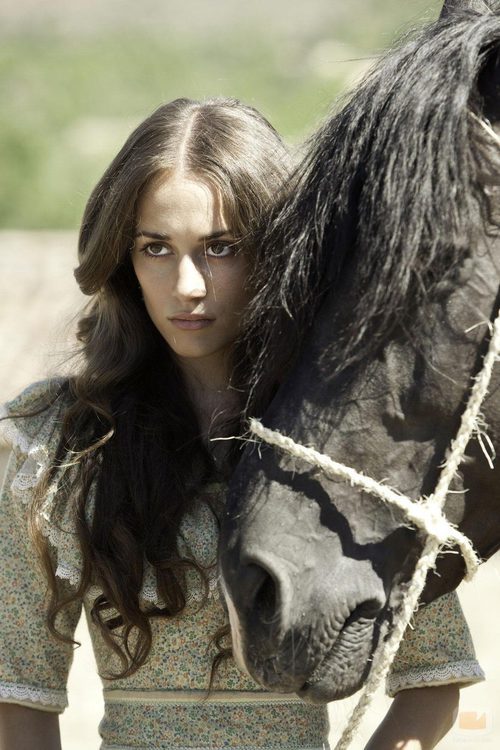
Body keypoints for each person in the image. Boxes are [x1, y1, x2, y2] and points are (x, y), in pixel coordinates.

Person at [0, 97, 484, 750]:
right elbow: (20, 694)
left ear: (277, 251)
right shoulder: (59, 440)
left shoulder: (350, 440)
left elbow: (432, 683)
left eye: (221, 247)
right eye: (155, 248)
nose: (187, 284)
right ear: (124, 260)